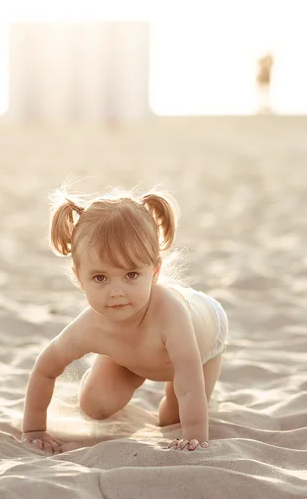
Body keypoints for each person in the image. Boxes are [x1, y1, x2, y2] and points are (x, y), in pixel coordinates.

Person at [20, 189, 229, 454]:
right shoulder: (90, 326)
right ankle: (122, 367)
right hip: (133, 354)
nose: (116, 292)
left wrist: (194, 437)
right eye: (100, 278)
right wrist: (34, 429)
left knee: (174, 419)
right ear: (78, 277)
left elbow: (189, 385)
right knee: (94, 405)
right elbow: (45, 368)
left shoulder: (172, 316)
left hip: (201, 347)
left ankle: (175, 411)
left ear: (154, 271)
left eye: (131, 274)